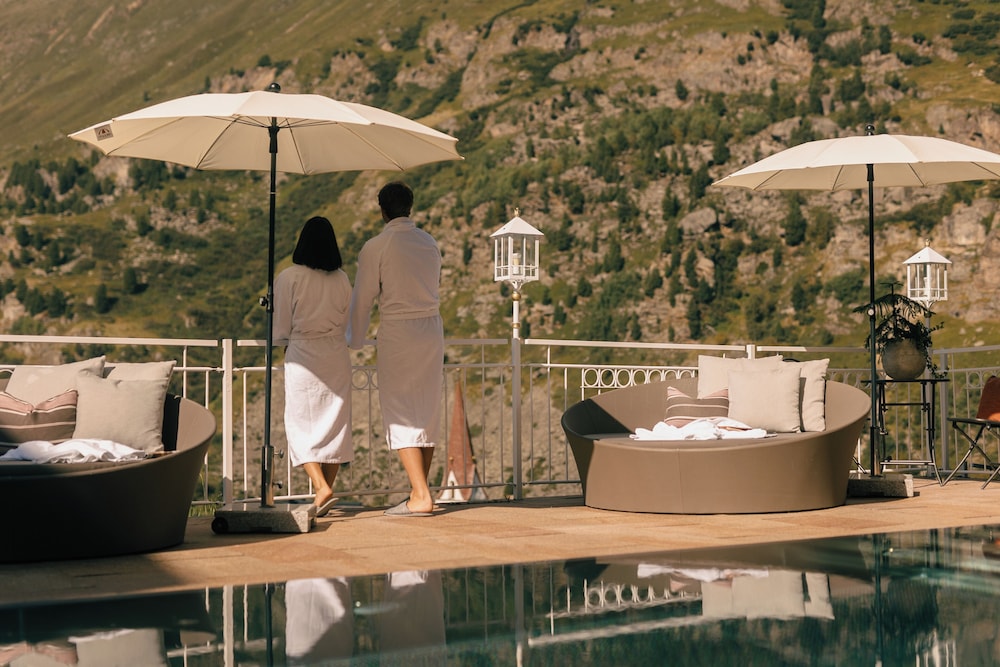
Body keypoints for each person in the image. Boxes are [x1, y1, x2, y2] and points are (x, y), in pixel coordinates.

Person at [348, 181, 443, 517]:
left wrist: (354, 339)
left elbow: (362, 298)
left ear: (382, 211)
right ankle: (419, 490)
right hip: (431, 330)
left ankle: (421, 495)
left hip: (400, 331)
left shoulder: (377, 246)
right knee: (426, 408)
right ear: (410, 207)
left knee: (400, 409)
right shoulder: (429, 243)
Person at [273, 216, 353, 517]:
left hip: (304, 355)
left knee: (299, 424)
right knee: (335, 424)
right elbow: (346, 322)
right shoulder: (341, 279)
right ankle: (324, 494)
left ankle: (321, 488)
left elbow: (280, 326)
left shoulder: (289, 277)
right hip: (336, 354)